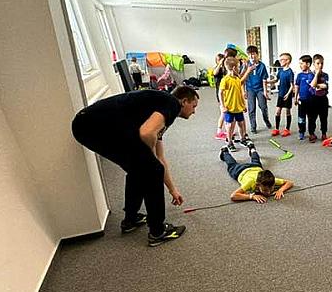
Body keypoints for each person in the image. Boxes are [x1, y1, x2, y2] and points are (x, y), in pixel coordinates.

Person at [71, 86, 199, 247]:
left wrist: (172, 190)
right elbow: (146, 133)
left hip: (87, 125)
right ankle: (158, 232)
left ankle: (130, 220)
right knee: (151, 170)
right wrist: (149, 159)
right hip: (93, 125)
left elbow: (160, 158)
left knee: (140, 170)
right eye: (193, 106)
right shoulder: (171, 103)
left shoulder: (159, 111)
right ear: (184, 101)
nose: (194, 112)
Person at [219, 141, 293, 203]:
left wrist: (281, 190)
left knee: (256, 160)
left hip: (255, 167)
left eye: (271, 189)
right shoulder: (250, 182)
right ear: (257, 185)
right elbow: (233, 196)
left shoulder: (271, 180)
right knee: (231, 164)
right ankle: (225, 152)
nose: (268, 192)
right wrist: (251, 196)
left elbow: (290, 182)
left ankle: (252, 148)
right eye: (265, 190)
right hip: (239, 170)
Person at [219, 56, 256, 151]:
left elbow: (240, 89)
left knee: (241, 123)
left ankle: (243, 139)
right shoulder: (225, 79)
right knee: (230, 125)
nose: (239, 69)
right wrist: (223, 106)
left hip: (238, 107)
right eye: (239, 67)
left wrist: (243, 105)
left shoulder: (236, 79)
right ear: (234, 68)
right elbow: (220, 93)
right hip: (229, 108)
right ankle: (229, 142)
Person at [244, 45, 273, 134]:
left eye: (253, 54)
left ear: (257, 54)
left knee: (263, 107)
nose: (251, 56)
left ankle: (266, 120)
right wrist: (243, 91)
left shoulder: (262, 66)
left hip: (260, 89)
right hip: (250, 89)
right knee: (251, 108)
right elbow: (242, 79)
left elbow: (264, 79)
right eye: (249, 54)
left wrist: (265, 91)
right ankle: (253, 126)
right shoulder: (246, 65)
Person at [270, 52, 295, 137]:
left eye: (282, 60)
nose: (280, 61)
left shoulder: (290, 72)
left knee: (287, 111)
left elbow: (292, 86)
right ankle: (276, 129)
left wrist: (288, 94)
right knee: (278, 112)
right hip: (280, 94)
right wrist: (268, 82)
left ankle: (287, 129)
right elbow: (276, 80)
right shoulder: (280, 71)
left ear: (287, 61)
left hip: (287, 95)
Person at [293, 55, 315, 141]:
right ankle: (301, 131)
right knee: (301, 118)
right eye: (300, 64)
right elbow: (297, 86)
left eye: (302, 63)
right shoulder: (299, 75)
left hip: (311, 101)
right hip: (302, 100)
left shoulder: (312, 75)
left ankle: (311, 133)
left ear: (308, 64)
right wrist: (295, 97)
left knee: (311, 118)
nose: (300, 65)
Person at [309, 53, 330, 140]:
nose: (320, 65)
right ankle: (311, 133)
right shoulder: (310, 74)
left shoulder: (325, 75)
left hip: (323, 99)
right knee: (312, 118)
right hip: (313, 99)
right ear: (313, 64)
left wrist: (316, 85)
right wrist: (316, 75)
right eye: (318, 63)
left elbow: (325, 86)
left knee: (324, 117)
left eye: (322, 63)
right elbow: (312, 85)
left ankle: (324, 133)